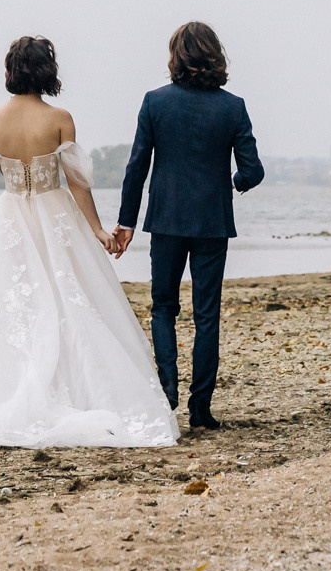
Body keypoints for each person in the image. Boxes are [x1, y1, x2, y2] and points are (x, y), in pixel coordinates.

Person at [0, 37, 178, 449]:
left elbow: (4, 166)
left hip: (13, 213)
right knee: (73, 298)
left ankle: (30, 390)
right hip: (54, 212)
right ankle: (85, 387)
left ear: (10, 70)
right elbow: (77, 183)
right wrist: (99, 231)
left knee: (26, 304)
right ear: (46, 71)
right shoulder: (60, 117)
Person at [111, 22, 264, 431]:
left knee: (163, 306)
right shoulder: (233, 106)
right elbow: (253, 171)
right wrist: (233, 182)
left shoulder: (155, 102)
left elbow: (136, 167)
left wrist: (126, 222)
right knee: (206, 315)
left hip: (165, 219)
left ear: (175, 57)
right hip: (213, 221)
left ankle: (167, 388)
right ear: (215, 55)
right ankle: (201, 408)